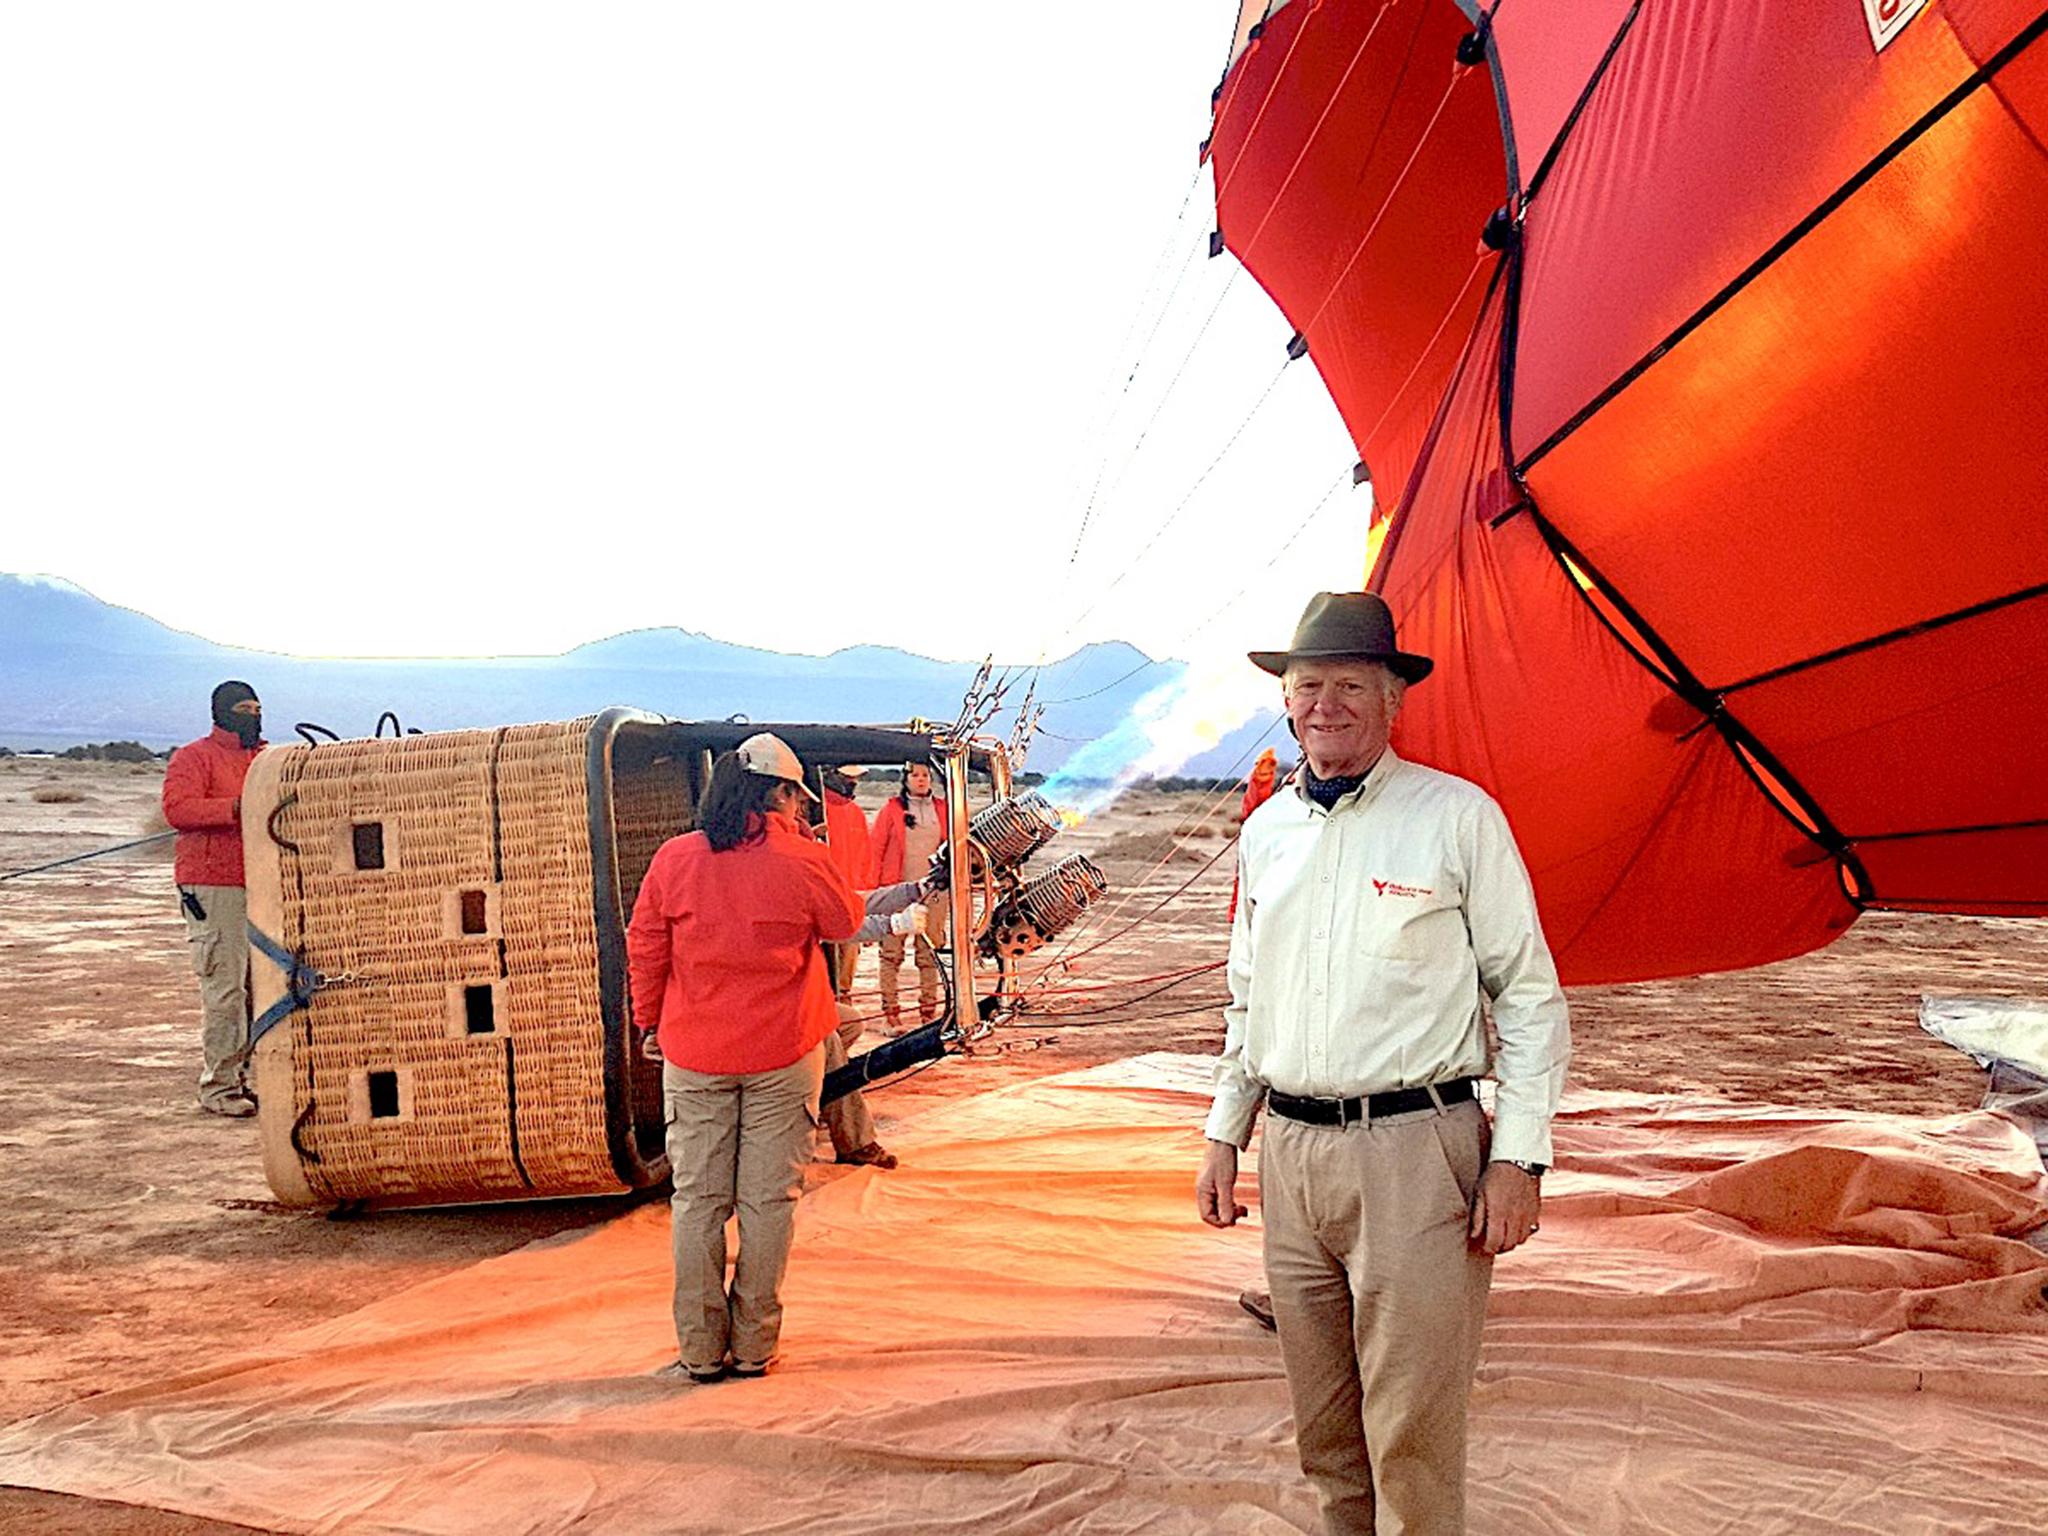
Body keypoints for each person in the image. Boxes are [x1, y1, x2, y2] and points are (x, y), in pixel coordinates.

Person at [1195, 591, 1571, 1536]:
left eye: (1350, 686)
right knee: (1325, 1430)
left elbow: (1527, 994)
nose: (1326, 704)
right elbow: (1251, 997)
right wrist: (1222, 1134)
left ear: (1393, 700)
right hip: (1290, 1151)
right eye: (1307, 685)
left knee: (1409, 1429)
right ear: (1285, 701)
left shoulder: (1457, 818)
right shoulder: (1267, 832)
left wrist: (1519, 1158)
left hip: (1415, 1153)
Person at [627, 733, 863, 1383]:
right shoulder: (802, 857)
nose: (799, 810)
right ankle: (755, 1346)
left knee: (698, 1202)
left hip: (696, 1054)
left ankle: (701, 1350)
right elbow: (844, 922)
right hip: (785, 1055)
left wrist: (651, 1021)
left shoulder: (677, 858)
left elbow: (646, 947)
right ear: (779, 792)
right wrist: (810, 848)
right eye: (796, 798)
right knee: (769, 1203)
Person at [162, 680, 266, 1118]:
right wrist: (238, 808)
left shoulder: (267, 758)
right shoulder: (193, 757)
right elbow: (179, 809)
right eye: (244, 707)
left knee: (260, 991)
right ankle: (220, 1087)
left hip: (264, 883)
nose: (252, 715)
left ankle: (254, 1079)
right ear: (222, 711)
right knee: (224, 990)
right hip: (213, 885)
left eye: (257, 708)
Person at [869, 760, 949, 1030]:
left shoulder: (943, 810)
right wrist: (873, 893)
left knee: (929, 953)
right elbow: (875, 851)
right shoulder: (891, 809)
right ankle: (891, 1013)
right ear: (905, 779)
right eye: (915, 775)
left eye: (925, 775)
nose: (921, 779)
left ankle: (929, 1011)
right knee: (891, 953)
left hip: (935, 891)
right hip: (897, 890)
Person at [818, 764, 875, 1001]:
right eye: (847, 777)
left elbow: (866, 859)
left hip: (850, 899)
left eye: (855, 777)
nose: (853, 782)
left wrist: (864, 901)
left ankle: (844, 1006)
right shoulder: (818, 812)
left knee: (847, 970)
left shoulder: (856, 813)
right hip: (823, 901)